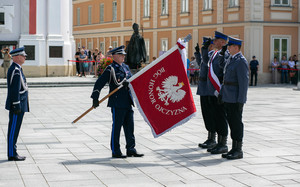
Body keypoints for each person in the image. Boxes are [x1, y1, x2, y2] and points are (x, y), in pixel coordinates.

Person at [91, 45, 144, 158]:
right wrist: (95, 98)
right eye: (121, 55)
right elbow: (99, 83)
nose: (123, 57)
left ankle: (131, 148)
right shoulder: (111, 69)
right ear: (114, 56)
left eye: (123, 55)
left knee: (130, 127)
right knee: (117, 127)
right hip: (117, 102)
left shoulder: (125, 67)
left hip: (127, 101)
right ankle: (116, 151)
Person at [219, 37, 249, 160]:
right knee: (231, 122)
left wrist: (241, 100)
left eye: (230, 46)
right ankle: (233, 147)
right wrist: (221, 94)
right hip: (228, 96)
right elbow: (225, 79)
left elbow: (243, 82)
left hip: (235, 98)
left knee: (236, 123)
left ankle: (238, 149)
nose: (228, 48)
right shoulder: (231, 59)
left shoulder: (241, 61)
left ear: (236, 47)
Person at [206, 31, 229, 155]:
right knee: (215, 116)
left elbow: (223, 71)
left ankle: (223, 143)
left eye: (216, 40)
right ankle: (219, 143)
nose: (214, 42)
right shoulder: (215, 54)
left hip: (219, 90)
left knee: (221, 117)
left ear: (222, 42)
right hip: (212, 90)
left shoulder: (226, 54)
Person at [5, 47, 29, 161]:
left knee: (15, 129)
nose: (25, 57)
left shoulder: (17, 69)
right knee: (13, 129)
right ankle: (11, 153)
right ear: (17, 57)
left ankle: (13, 151)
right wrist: (16, 104)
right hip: (17, 105)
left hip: (19, 104)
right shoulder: (15, 70)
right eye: (23, 56)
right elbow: (14, 90)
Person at [196, 37, 217, 149]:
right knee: (206, 114)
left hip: (208, 89)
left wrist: (202, 52)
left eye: (206, 46)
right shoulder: (207, 55)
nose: (204, 48)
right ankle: (210, 137)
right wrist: (197, 53)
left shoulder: (212, 55)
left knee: (210, 114)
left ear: (212, 46)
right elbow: (201, 63)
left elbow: (205, 61)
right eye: (203, 46)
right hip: (203, 88)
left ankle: (212, 138)